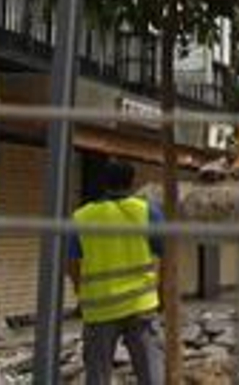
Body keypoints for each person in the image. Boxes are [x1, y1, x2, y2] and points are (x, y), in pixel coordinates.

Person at [68, 159, 167, 385]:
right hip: (141, 306)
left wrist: (80, 290)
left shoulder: (82, 217)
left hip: (99, 309)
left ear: (104, 183)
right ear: (132, 182)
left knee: (98, 375)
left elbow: (72, 262)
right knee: (152, 374)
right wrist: (160, 293)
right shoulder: (148, 212)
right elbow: (165, 255)